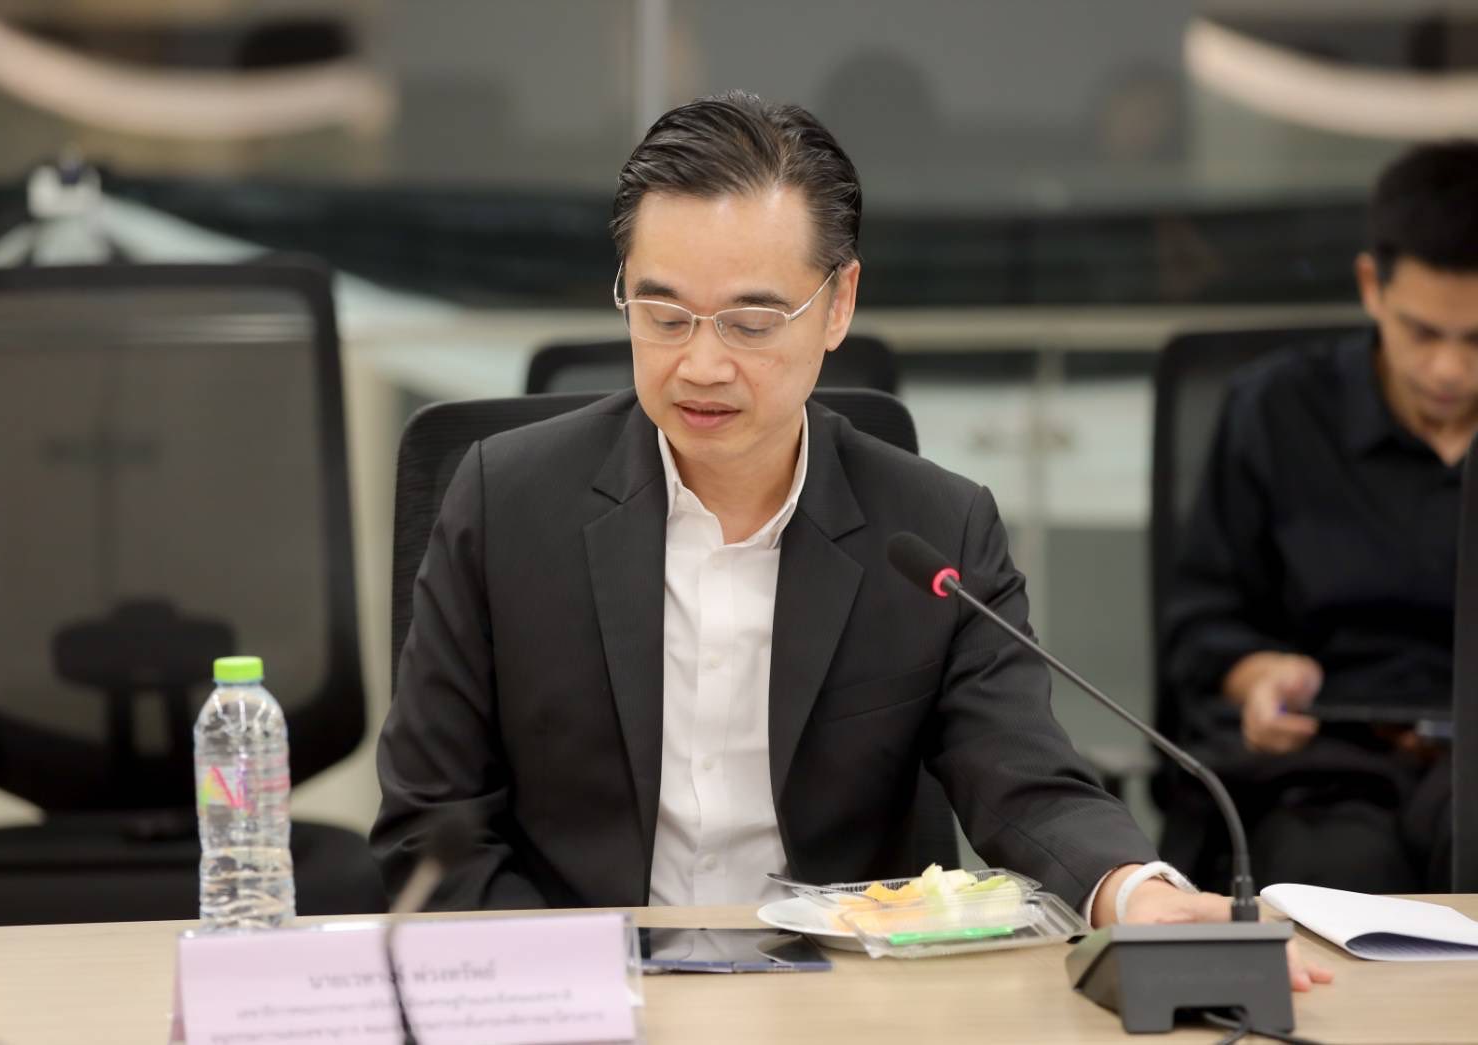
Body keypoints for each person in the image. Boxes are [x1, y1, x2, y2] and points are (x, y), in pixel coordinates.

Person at [374, 90, 1328, 989]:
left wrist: (1133, 892)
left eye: (750, 321)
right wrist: (565, 987)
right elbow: (432, 821)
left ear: (837, 305)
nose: (700, 363)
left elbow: (1024, 781)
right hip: (580, 994)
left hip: (838, 998)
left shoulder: (933, 535)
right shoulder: (506, 502)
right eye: (663, 316)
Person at [1162, 141, 1478, 892]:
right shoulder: (1277, 412)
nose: (1448, 369)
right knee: (1326, 891)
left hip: (1469, 770)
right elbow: (1202, 623)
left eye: (1476, 340)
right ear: (1371, 286)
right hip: (1325, 769)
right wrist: (1258, 676)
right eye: (1423, 333)